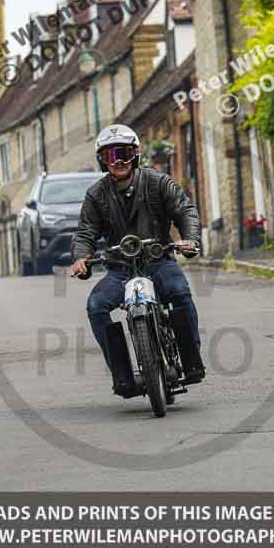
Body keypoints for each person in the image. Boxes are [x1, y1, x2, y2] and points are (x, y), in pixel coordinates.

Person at [70, 124, 205, 389]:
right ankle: (122, 374)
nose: (119, 161)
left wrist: (189, 239)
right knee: (96, 306)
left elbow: (185, 210)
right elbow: (86, 231)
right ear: (102, 161)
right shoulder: (96, 195)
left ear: (136, 155)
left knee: (179, 292)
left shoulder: (159, 182)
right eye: (110, 155)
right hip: (120, 269)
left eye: (124, 153)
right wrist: (81, 257)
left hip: (158, 261)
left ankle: (191, 359)